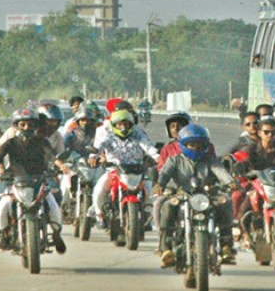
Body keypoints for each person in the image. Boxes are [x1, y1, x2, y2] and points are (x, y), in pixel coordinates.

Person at [0, 108, 65, 253]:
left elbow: (52, 156)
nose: (27, 128)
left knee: (53, 205)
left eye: (30, 125)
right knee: (3, 205)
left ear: (36, 126)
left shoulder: (42, 142)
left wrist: (61, 166)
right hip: (15, 181)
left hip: (39, 180)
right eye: (23, 124)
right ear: (16, 125)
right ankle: (5, 235)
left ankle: (57, 234)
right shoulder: (10, 143)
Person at [157, 124, 237, 267]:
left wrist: (230, 182)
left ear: (205, 145)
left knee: (226, 202)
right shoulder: (175, 160)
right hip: (182, 194)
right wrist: (160, 184)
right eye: (191, 144)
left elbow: (220, 171)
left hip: (206, 195)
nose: (195, 148)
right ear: (183, 144)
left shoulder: (210, 160)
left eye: (199, 145)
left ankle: (226, 245)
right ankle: (166, 248)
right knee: (168, 205)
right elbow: (164, 173)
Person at [90, 110, 160, 228]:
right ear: (114, 125)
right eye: (120, 124)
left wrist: (157, 157)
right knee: (99, 190)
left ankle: (147, 215)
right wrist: (93, 156)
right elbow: (99, 147)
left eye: (127, 124)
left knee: (149, 190)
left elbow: (148, 147)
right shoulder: (108, 136)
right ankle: (100, 216)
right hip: (114, 170)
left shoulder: (138, 135)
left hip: (137, 171)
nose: (123, 127)